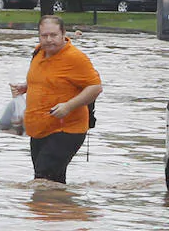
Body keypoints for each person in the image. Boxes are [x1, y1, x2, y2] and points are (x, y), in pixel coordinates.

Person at [9, 15, 103, 184]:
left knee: (42, 180)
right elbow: (47, 80)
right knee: (53, 183)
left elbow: (95, 87)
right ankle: (62, 209)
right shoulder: (38, 52)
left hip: (67, 129)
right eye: (44, 35)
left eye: (53, 35)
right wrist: (26, 86)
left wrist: (68, 106)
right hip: (39, 128)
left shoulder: (75, 58)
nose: (48, 40)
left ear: (63, 34)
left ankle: (45, 209)